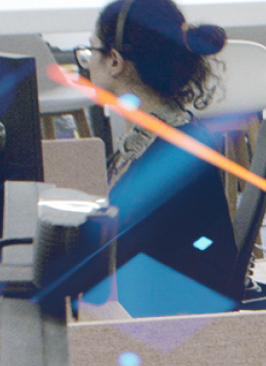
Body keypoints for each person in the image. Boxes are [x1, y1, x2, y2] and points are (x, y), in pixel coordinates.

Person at [75, 0, 239, 315]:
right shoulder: (167, 132)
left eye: (90, 51)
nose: (86, 63)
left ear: (114, 61)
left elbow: (127, 259)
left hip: (166, 324)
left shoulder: (164, 155)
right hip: (167, 307)